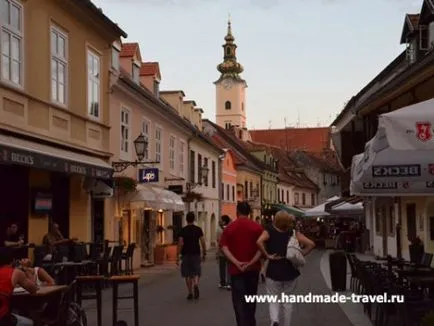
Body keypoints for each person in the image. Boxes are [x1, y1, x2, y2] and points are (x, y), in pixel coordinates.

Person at [257, 211, 315, 326]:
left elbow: (258, 241)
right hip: (290, 270)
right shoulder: (293, 233)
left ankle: (275, 320)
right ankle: (286, 324)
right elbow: (311, 244)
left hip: (273, 269)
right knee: (288, 301)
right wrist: (301, 254)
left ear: (276, 220)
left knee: (273, 299)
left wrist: (267, 255)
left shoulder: (269, 231)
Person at [220, 201, 263, 326]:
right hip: (253, 269)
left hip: (236, 270)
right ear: (249, 212)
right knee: (251, 299)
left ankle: (242, 323)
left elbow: (224, 247)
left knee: (239, 301)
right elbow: (262, 248)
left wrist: (236, 262)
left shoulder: (230, 228)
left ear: (237, 212)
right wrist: (251, 262)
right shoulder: (257, 228)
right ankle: (251, 322)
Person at [0, 247, 39, 326]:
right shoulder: (16, 273)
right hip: (2, 318)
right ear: (13, 260)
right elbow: (34, 289)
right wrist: (26, 268)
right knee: (30, 323)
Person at [176, 212, 206, 300]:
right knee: (196, 271)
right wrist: (204, 252)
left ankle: (190, 293)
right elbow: (202, 241)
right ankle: (196, 284)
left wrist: (177, 255)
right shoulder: (198, 229)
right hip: (196, 253)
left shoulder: (183, 230)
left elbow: (180, 243)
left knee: (187, 273)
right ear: (194, 219)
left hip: (186, 254)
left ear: (186, 219)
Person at [216, 215, 231, 289]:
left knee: (222, 268)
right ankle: (229, 283)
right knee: (229, 267)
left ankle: (222, 282)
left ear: (224, 221)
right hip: (229, 251)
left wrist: (218, 252)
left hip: (222, 251)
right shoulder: (230, 228)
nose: (220, 221)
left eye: (221, 220)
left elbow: (219, 242)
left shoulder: (219, 230)